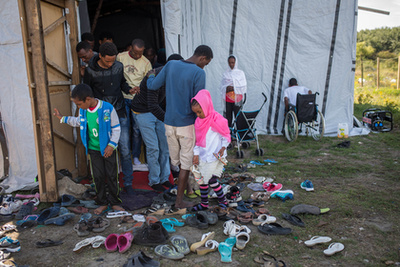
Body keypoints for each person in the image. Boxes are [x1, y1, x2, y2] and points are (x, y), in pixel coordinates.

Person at [146, 45, 213, 208]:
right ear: (203, 58)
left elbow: (152, 86)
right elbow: (198, 103)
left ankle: (186, 191)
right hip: (187, 124)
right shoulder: (199, 73)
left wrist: (150, 76)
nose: (205, 66)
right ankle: (179, 203)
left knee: (177, 162)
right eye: (207, 63)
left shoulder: (171, 65)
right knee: (185, 164)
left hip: (168, 123)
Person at [53, 84, 125, 215]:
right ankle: (102, 202)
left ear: (87, 99)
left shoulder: (107, 109)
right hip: (93, 149)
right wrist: (62, 118)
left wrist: (111, 145)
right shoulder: (83, 111)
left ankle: (115, 202)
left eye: (79, 104)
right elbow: (78, 122)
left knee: (112, 175)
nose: (78, 107)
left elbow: (116, 128)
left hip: (109, 149)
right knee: (97, 176)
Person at [83, 42, 136, 194]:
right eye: (107, 61)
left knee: (125, 149)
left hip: (119, 110)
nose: (110, 64)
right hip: (101, 116)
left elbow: (122, 84)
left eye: (113, 60)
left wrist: (129, 89)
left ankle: (128, 184)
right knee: (102, 149)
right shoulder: (90, 71)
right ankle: (105, 185)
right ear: (99, 56)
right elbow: (87, 93)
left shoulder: (118, 67)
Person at [130, 54, 183, 192]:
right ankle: (154, 180)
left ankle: (165, 178)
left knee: (165, 147)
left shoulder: (174, 76)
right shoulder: (154, 77)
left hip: (157, 110)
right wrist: (169, 121)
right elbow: (153, 105)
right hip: (142, 111)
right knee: (153, 147)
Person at [190, 89, 230, 211]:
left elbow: (225, 136)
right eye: (196, 113)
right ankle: (205, 204)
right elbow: (196, 140)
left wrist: (223, 147)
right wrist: (196, 154)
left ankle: (220, 200)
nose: (198, 115)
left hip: (214, 156)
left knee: (211, 180)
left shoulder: (217, 120)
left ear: (206, 106)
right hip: (203, 156)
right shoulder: (198, 122)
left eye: (199, 111)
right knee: (202, 181)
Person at [117, 39, 152, 167]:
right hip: (123, 97)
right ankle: (125, 157)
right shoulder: (121, 57)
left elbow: (149, 80)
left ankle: (136, 156)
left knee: (137, 130)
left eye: (141, 53)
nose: (138, 56)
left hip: (138, 99)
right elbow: (117, 77)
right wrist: (127, 88)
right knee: (124, 129)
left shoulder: (146, 62)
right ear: (131, 48)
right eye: (136, 53)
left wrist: (140, 89)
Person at [220, 55, 247, 128]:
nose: (231, 64)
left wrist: (233, 88)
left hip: (237, 99)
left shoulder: (240, 73)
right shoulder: (225, 73)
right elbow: (222, 86)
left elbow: (243, 85)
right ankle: (228, 133)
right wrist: (226, 87)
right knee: (228, 117)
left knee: (238, 116)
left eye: (233, 62)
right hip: (228, 99)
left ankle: (238, 133)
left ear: (236, 62)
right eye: (229, 63)